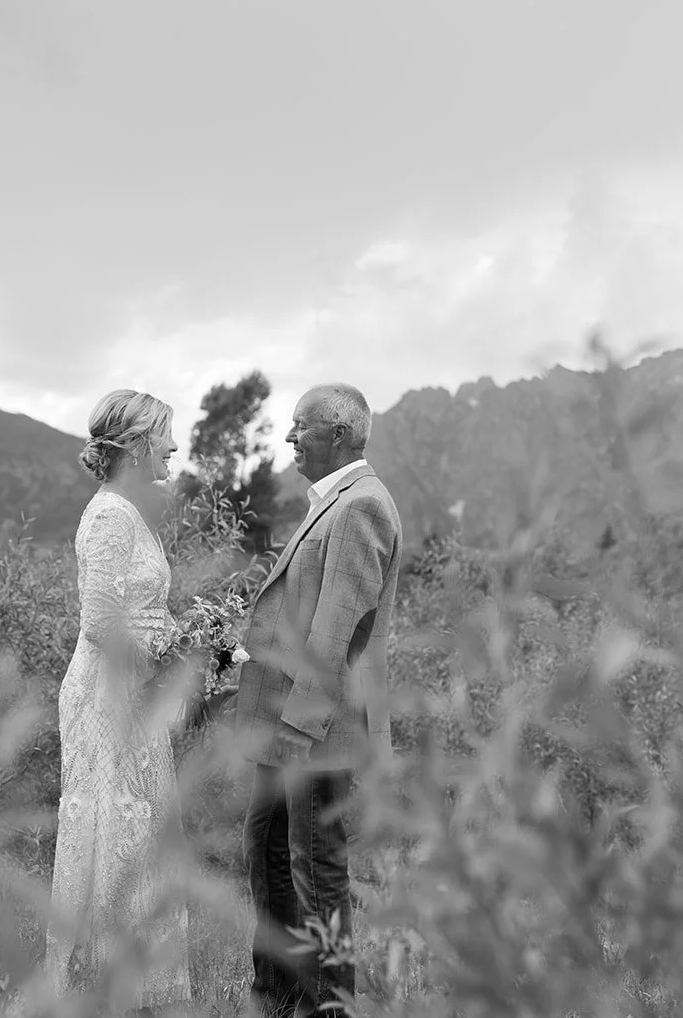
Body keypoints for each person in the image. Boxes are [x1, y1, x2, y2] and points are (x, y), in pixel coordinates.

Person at [232, 383, 403, 1017]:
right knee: (270, 849)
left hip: (316, 728)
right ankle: (277, 991)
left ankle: (330, 1006)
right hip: (290, 721)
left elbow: (335, 630)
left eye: (300, 426)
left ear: (336, 434)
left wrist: (297, 735)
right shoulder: (331, 502)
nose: (289, 437)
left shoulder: (361, 507)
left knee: (314, 869)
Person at [45, 389, 193, 1015]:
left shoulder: (129, 514)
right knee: (114, 825)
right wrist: (168, 659)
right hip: (110, 694)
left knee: (138, 825)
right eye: (165, 436)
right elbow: (102, 623)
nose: (174, 447)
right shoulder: (107, 517)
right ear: (135, 446)